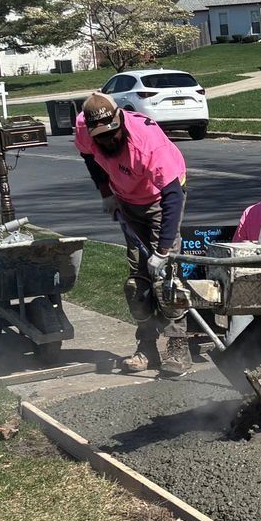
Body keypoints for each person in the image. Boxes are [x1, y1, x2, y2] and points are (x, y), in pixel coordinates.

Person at [73, 92, 189, 375]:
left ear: (120, 121)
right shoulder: (83, 127)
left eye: (112, 134)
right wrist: (106, 194)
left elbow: (172, 196)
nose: (107, 141)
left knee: (166, 278)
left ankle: (178, 347)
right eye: (100, 137)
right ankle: (147, 347)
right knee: (136, 284)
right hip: (126, 200)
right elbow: (89, 157)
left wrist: (162, 252)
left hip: (161, 199)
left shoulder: (148, 142)